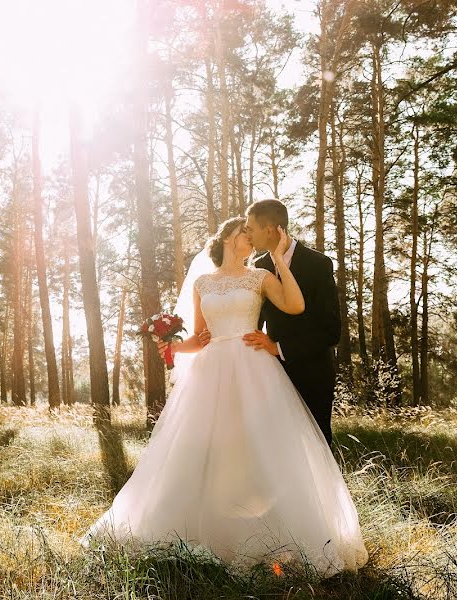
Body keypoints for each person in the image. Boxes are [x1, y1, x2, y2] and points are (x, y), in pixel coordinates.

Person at [79, 216, 367, 574]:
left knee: (258, 445)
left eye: (251, 233)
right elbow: (200, 339)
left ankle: (270, 533)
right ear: (230, 239)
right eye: (245, 233)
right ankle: (204, 529)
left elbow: (295, 306)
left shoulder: (261, 276)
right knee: (206, 447)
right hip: (211, 373)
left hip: (253, 367)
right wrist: (170, 346)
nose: (251, 237)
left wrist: (278, 259)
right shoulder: (202, 283)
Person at [244, 199, 341, 445]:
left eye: (250, 228)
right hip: (272, 375)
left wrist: (278, 348)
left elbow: (330, 331)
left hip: (313, 375)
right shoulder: (259, 267)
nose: (248, 234)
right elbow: (252, 322)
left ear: (269, 230)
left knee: (317, 446)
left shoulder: (318, 264)